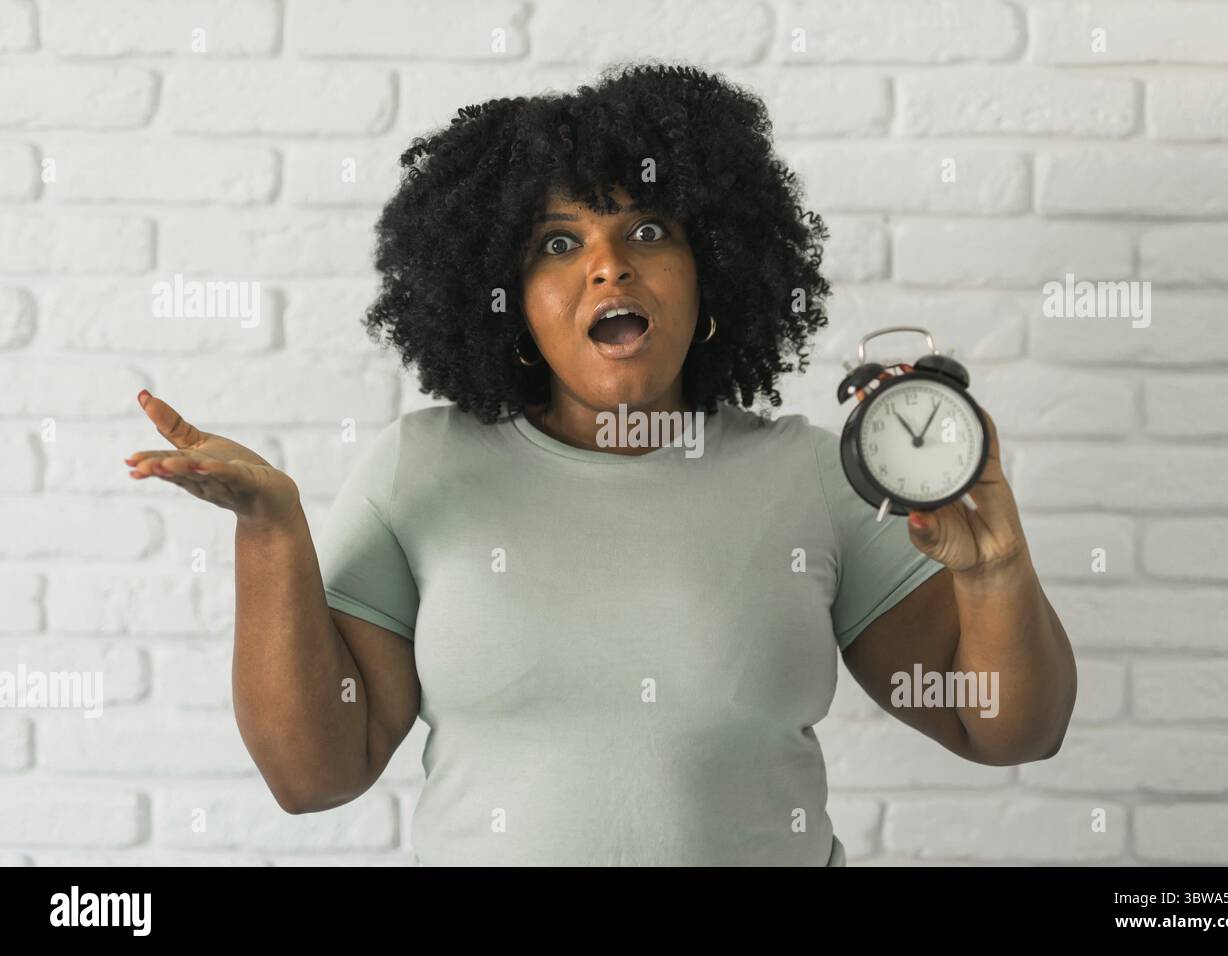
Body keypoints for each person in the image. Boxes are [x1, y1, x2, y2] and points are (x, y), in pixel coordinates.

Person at [123, 63, 1076, 866]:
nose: (609, 266)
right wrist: (270, 530)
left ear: (714, 273)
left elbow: (1006, 728)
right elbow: (312, 776)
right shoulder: (422, 468)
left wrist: (995, 572)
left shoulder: (814, 479)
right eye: (559, 244)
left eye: (649, 231)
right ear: (508, 300)